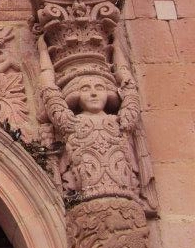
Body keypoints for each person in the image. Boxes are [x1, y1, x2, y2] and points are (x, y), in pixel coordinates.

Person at [37, 34, 155, 206]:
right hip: (88, 200)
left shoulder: (120, 122)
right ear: (75, 95)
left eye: (99, 87)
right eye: (85, 88)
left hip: (125, 199)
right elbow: (49, 91)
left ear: (108, 93)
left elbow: (130, 90)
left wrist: (117, 52)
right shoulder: (71, 124)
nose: (93, 93)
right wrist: (43, 53)